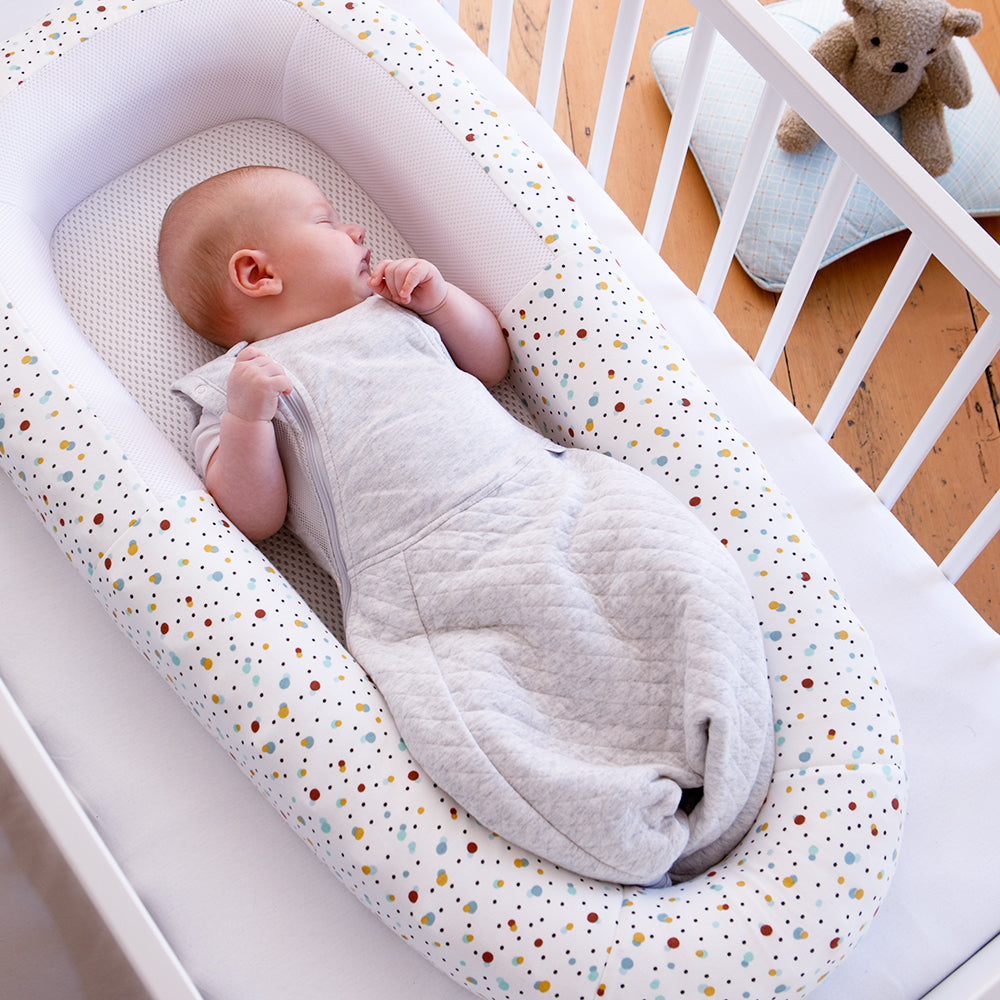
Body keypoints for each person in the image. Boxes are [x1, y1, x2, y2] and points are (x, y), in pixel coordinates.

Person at [162, 165, 773, 887]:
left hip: (543, 489)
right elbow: (252, 516)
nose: (356, 230)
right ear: (258, 273)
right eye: (328, 222)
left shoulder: (394, 310)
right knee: (477, 711)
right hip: (424, 574)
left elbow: (490, 365)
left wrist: (444, 301)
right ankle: (616, 823)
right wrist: (247, 418)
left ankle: (726, 744)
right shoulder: (236, 386)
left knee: (675, 564)